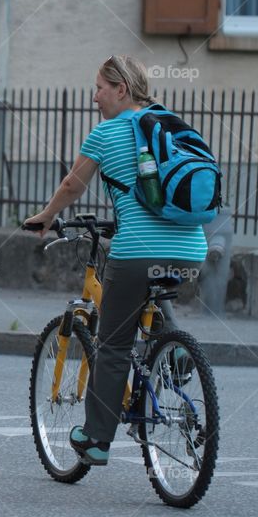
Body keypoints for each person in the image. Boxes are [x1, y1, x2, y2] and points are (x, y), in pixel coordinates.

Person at [23, 55, 207, 466]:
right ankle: (173, 349)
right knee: (151, 287)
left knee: (113, 344)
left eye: (100, 88)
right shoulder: (170, 124)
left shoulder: (106, 133)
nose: (94, 98)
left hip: (137, 251)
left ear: (121, 89)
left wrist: (46, 216)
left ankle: (95, 440)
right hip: (193, 251)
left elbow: (73, 184)